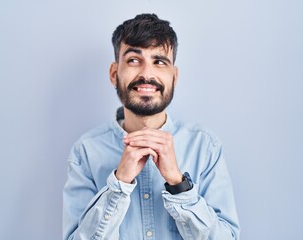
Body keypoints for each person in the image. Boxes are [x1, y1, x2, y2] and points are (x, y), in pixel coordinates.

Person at [63, 13, 240, 240]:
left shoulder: (205, 147)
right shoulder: (85, 152)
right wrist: (118, 184)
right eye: (134, 60)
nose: (147, 74)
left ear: (174, 77)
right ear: (114, 74)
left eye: (159, 62)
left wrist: (179, 184)